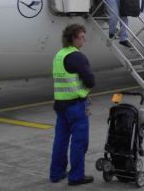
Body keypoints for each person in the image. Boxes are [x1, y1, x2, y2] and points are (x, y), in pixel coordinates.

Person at [50, 24, 95, 186]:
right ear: (73, 38)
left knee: (60, 140)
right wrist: (85, 92)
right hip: (76, 106)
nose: (84, 39)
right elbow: (91, 80)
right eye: (82, 36)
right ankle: (76, 176)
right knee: (79, 142)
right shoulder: (77, 57)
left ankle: (56, 173)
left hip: (60, 105)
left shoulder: (59, 55)